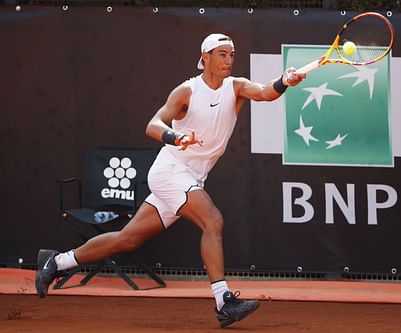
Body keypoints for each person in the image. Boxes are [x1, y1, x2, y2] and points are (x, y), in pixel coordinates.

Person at [35, 33, 305, 328]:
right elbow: (153, 125)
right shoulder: (187, 91)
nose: (228, 60)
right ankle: (223, 301)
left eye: (231, 55)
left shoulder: (236, 87)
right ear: (205, 58)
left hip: (192, 178)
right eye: (222, 54)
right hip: (169, 171)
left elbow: (266, 92)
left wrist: (284, 81)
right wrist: (177, 137)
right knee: (212, 220)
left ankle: (56, 262)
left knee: (127, 239)